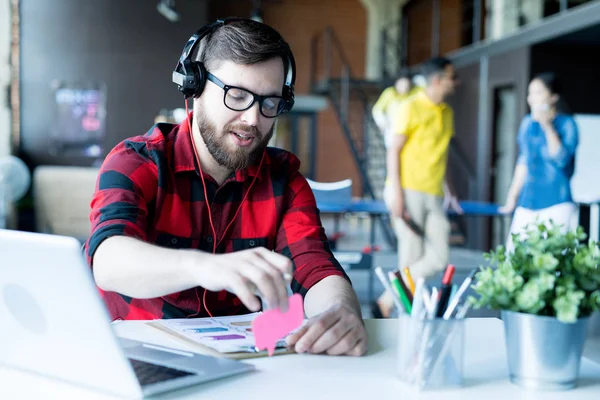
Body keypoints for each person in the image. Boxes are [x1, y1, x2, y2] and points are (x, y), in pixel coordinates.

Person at [85, 18, 367, 357]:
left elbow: (315, 266)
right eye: (237, 96)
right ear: (196, 87)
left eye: (269, 102)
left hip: (239, 364)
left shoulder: (285, 180)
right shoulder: (135, 162)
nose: (253, 119)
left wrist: (340, 311)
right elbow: (109, 261)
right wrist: (205, 266)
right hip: (138, 356)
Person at [374, 57, 462, 318]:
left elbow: (441, 154)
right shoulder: (409, 107)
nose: (455, 82)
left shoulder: (447, 113)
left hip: (433, 193)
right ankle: (404, 318)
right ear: (437, 80)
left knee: (440, 257)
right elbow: (394, 151)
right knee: (411, 256)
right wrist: (397, 194)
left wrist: (451, 190)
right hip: (407, 189)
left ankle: (386, 300)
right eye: (451, 77)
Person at [500, 73, 579, 251]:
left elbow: (561, 159)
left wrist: (547, 126)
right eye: (530, 93)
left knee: (555, 259)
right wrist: (512, 196)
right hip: (527, 201)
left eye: (538, 92)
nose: (532, 98)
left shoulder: (567, 124)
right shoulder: (527, 123)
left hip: (557, 200)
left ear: (553, 97)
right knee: (514, 254)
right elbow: (524, 161)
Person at [371, 72, 414, 147]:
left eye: (407, 84)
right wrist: (382, 123)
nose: (405, 87)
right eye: (403, 84)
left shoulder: (414, 94)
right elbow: (377, 110)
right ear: (397, 83)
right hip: (392, 130)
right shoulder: (390, 93)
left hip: (409, 130)